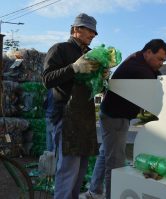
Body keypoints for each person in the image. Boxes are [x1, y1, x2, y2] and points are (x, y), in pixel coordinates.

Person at [85, 39, 166, 199]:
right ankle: (111, 196)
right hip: (115, 117)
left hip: (113, 115)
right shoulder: (138, 67)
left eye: (164, 60)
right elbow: (154, 83)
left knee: (105, 154)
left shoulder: (138, 60)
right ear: (149, 52)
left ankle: (94, 190)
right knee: (115, 163)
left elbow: (155, 76)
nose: (161, 63)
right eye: (160, 59)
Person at [42, 13, 101, 199]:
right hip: (66, 116)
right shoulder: (60, 49)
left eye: (94, 32)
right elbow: (47, 79)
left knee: (81, 169)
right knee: (68, 169)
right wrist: (73, 68)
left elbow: (92, 85)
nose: (93, 35)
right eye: (89, 30)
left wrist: (102, 76)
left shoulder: (89, 55)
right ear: (76, 29)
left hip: (85, 116)